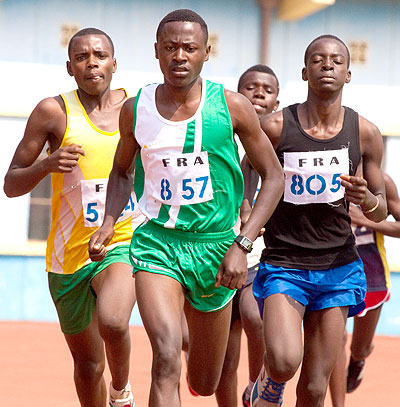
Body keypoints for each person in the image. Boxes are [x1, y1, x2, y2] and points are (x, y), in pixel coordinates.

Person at [88, 9, 284, 407]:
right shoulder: (136, 108)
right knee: (165, 357)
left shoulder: (232, 106)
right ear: (157, 52)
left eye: (189, 48)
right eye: (171, 48)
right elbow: (121, 172)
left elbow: (274, 177)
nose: (180, 55)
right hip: (157, 243)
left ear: (205, 53)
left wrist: (242, 244)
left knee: (205, 381)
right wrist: (109, 221)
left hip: (217, 247)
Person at [3, 28, 143, 407]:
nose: (92, 62)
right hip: (68, 256)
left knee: (114, 320)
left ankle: (121, 392)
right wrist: (47, 164)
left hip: (121, 239)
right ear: (70, 67)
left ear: (115, 63)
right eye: (81, 57)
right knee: (87, 365)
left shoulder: (139, 107)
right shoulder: (53, 111)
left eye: (100, 55)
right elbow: (11, 184)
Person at [249, 34, 387, 407]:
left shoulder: (366, 134)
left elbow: (381, 208)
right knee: (282, 361)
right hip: (285, 263)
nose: (327, 65)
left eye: (336, 60)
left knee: (313, 388)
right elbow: (247, 168)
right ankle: (269, 379)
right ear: (305, 71)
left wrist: (366, 199)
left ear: (347, 74)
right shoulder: (276, 127)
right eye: (318, 59)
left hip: (338, 267)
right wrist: (247, 209)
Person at [215, 64, 280, 407]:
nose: (258, 93)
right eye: (250, 87)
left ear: (277, 101)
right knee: (225, 352)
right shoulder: (220, 137)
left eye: (266, 89)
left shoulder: (279, 144)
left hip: (261, 256)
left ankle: (258, 388)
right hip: (217, 253)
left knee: (255, 317)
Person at [328, 172, 400, 407]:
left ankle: (358, 360)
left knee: (359, 346)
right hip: (333, 268)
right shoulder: (323, 173)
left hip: (372, 272)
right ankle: (339, 403)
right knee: (335, 340)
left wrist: (364, 221)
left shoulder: (382, 181)